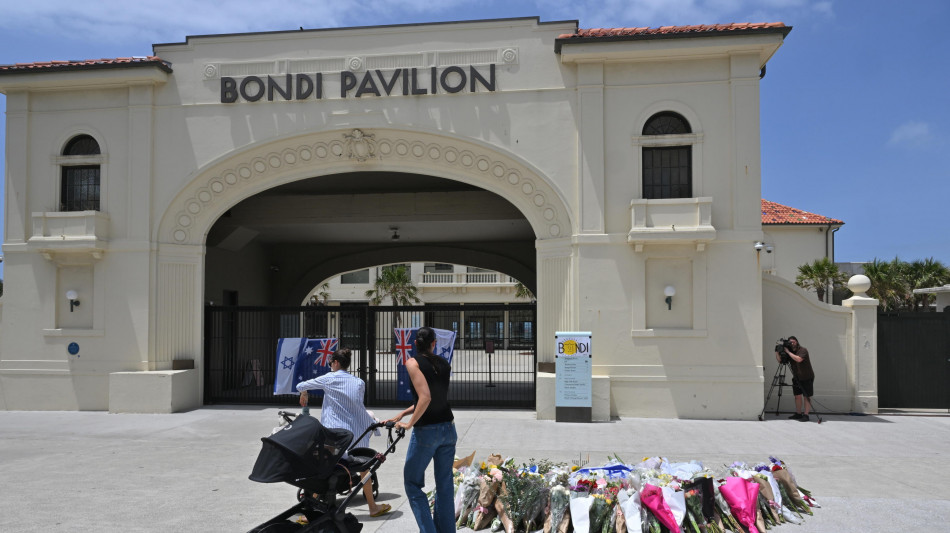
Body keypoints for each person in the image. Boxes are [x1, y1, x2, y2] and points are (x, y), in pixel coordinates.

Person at [296, 348, 391, 517]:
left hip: (335, 438)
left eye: (331, 362)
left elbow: (300, 385)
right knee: (365, 470)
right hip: (357, 435)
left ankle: (308, 513)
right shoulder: (359, 382)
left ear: (336, 363)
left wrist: (304, 392)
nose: (330, 365)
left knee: (325, 469)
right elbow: (355, 406)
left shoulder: (329, 378)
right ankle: (372, 507)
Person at [388, 327, 456, 533]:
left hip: (427, 431)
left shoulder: (412, 362)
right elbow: (433, 398)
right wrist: (403, 414)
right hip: (448, 429)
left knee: (412, 483)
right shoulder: (444, 364)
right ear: (434, 343)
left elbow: (425, 398)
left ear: (415, 344)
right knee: (444, 485)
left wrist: (409, 424)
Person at [775, 336, 815, 422]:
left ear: (797, 342)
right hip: (796, 377)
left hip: (806, 377)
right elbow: (781, 361)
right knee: (797, 396)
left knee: (806, 396)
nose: (792, 343)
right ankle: (798, 413)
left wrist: (788, 352)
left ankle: (806, 415)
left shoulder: (802, 350)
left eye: (793, 342)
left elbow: (799, 359)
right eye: (790, 342)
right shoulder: (790, 352)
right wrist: (777, 352)